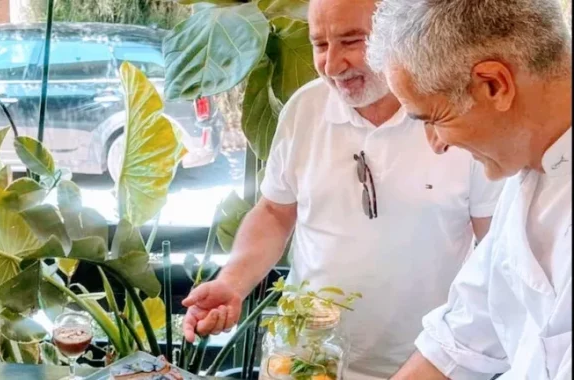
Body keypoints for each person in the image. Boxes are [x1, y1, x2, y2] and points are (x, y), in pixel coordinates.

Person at [180, 0, 506, 378]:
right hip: (305, 359)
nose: (332, 66)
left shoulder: (455, 119)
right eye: (320, 44)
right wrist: (232, 283)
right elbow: (274, 211)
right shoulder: (304, 108)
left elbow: (496, 248)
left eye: (352, 41)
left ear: (400, 36)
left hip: (423, 365)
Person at [365, 0, 572, 379]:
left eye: (434, 118)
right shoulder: (527, 167)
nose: (437, 144)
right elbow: (463, 338)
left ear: (495, 84)